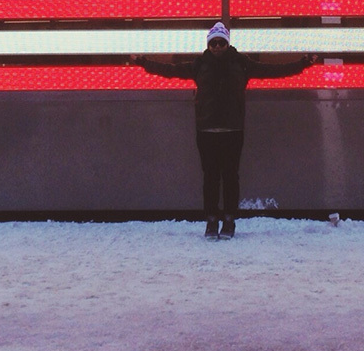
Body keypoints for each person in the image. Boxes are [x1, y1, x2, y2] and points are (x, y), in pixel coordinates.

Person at [132, 22, 317, 240]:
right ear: (209, 44)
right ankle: (212, 221)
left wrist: (302, 64)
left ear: (227, 44)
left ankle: (228, 220)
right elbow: (170, 71)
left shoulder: (241, 63)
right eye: (213, 43)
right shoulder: (200, 64)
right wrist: (144, 63)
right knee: (211, 177)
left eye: (221, 43)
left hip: (231, 130)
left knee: (229, 177)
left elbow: (273, 71)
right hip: (208, 129)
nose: (217, 47)